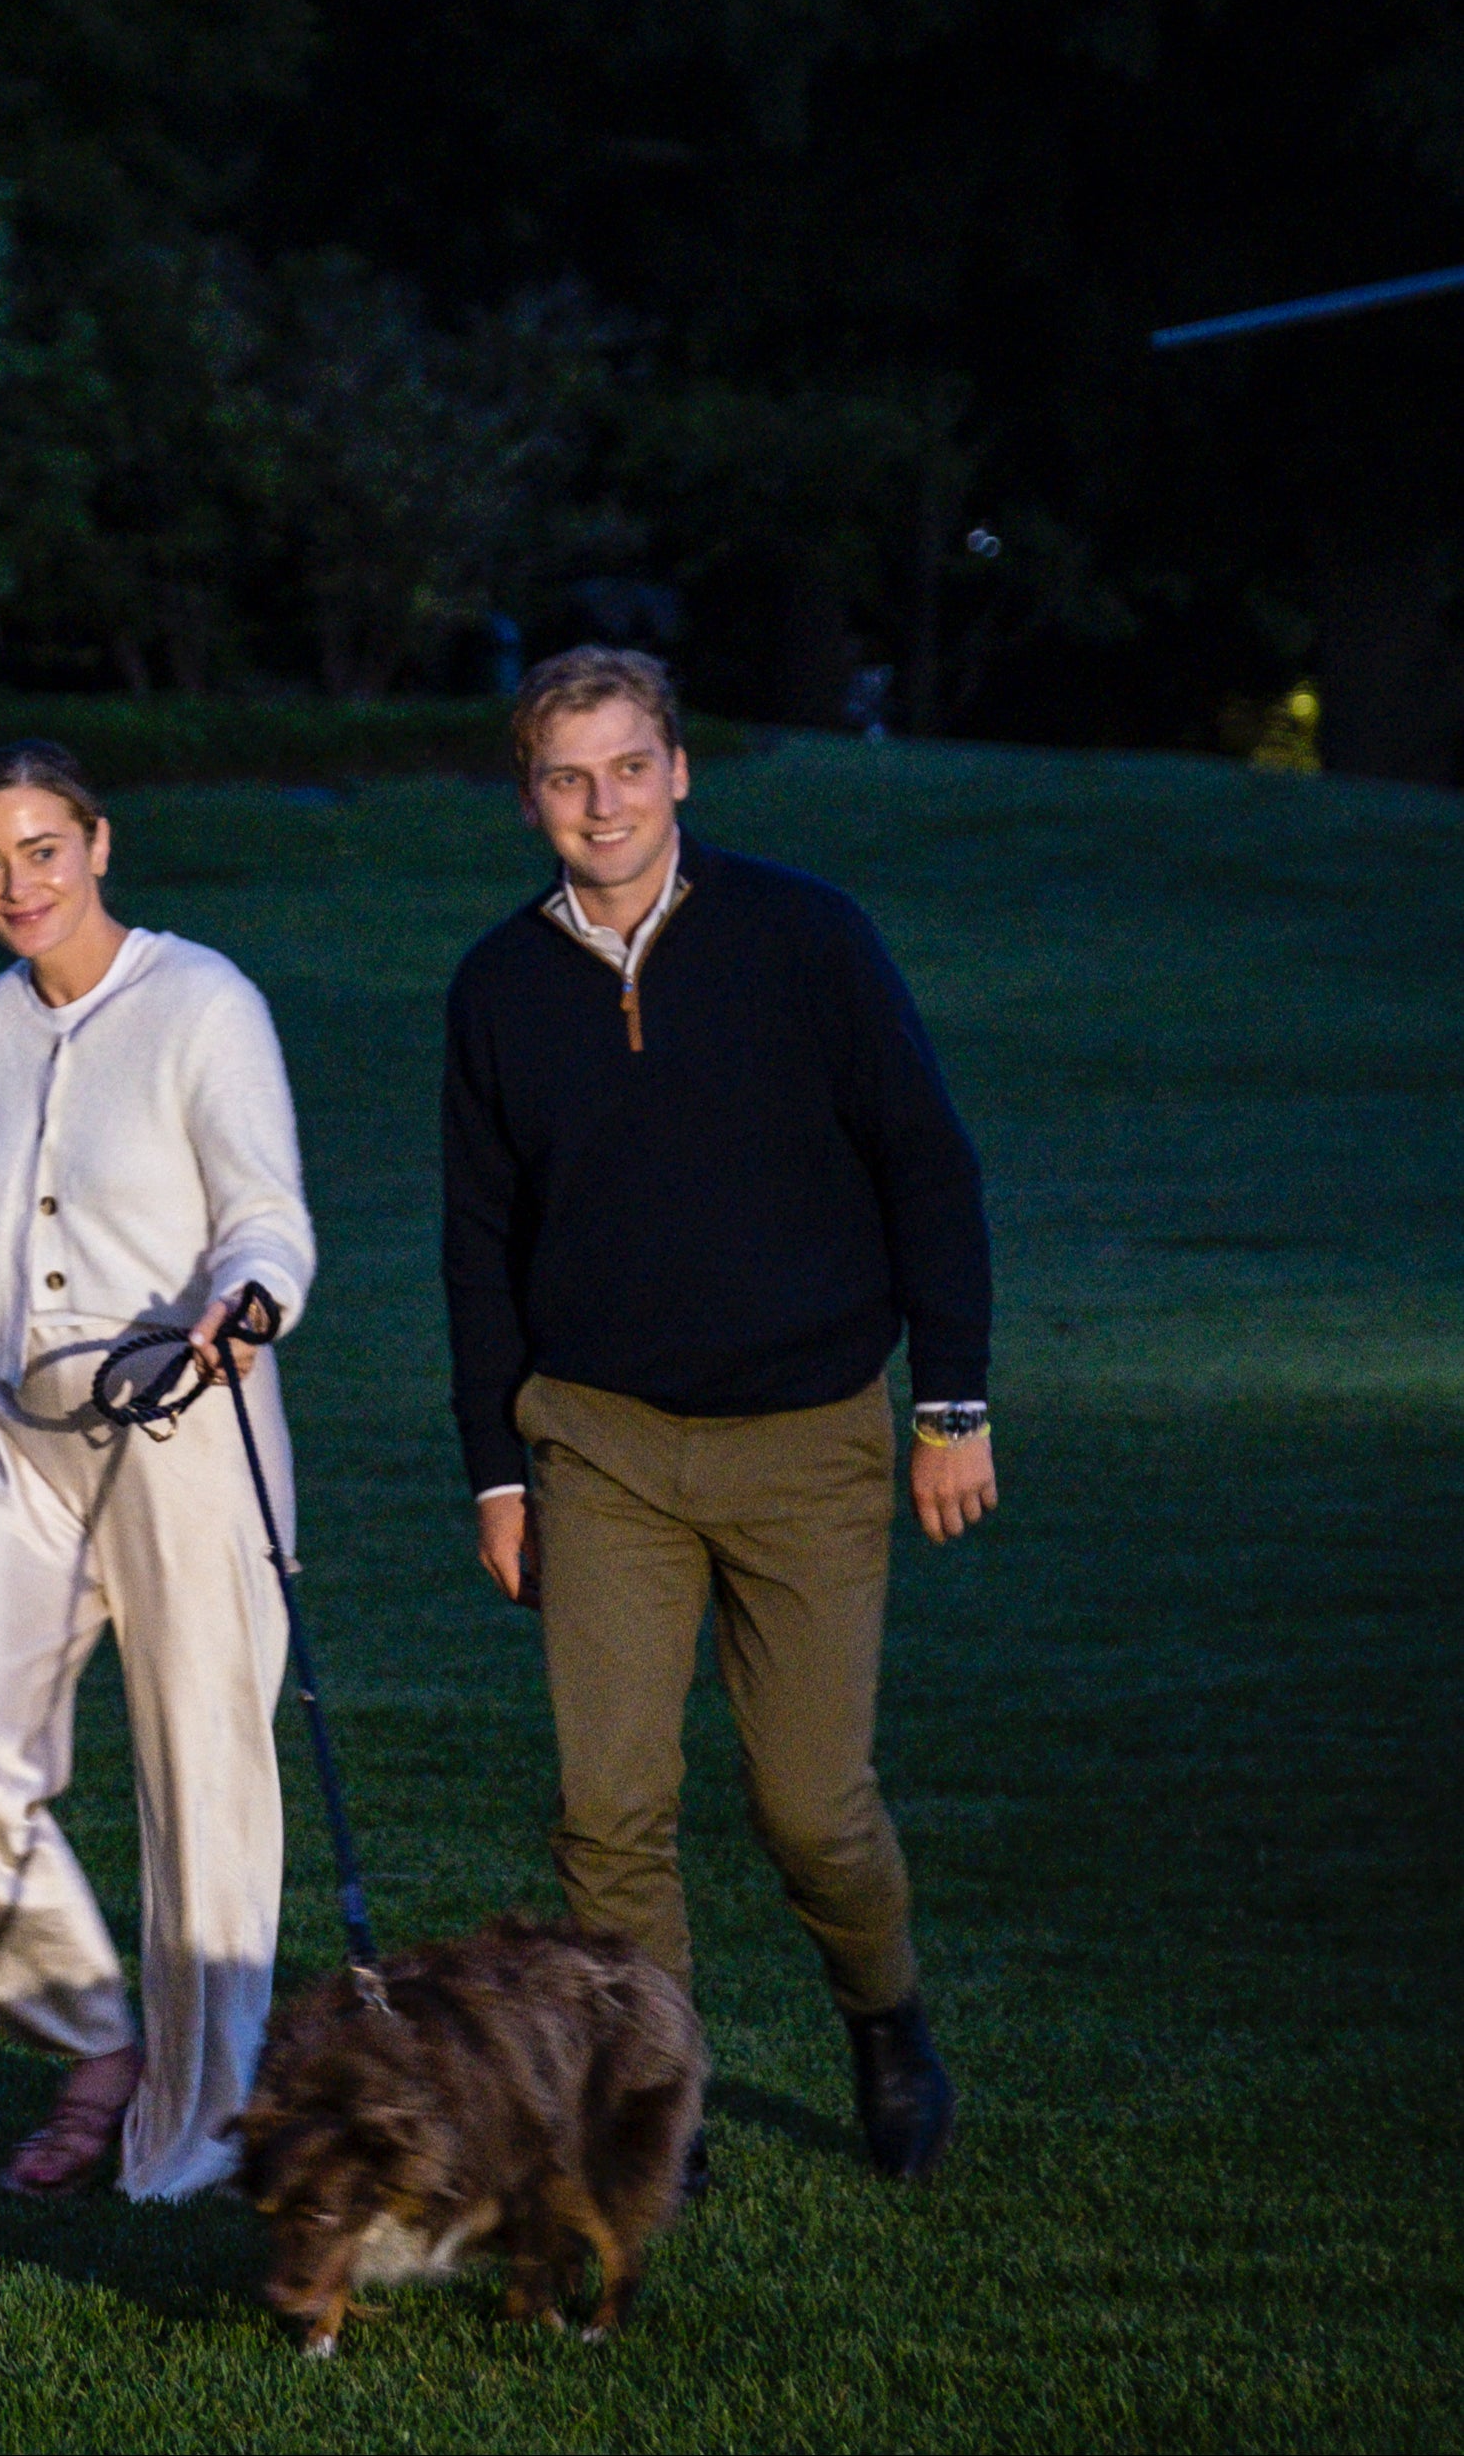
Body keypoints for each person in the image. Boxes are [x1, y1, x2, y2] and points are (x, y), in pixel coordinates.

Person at [444, 646, 995, 2183]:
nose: (601, 802)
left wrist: (951, 1400)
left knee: (812, 1808)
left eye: (629, 766)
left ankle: (883, 2013)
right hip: (599, 1440)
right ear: (531, 796)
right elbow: (477, 1243)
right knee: (609, 1806)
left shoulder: (804, 936)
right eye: (567, 776)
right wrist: (499, 1472)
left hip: (807, 1430)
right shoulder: (497, 984)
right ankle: (656, 2092)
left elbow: (927, 1164)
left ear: (679, 770)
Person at [0, 740, 319, 2201]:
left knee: (205, 1780)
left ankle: (197, 2140)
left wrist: (247, 1303)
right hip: (17, 1446)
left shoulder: (205, 1002)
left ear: (99, 842)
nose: (17, 884)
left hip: (185, 1421)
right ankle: (93, 2038)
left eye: (41, 849)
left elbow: (269, 1214)